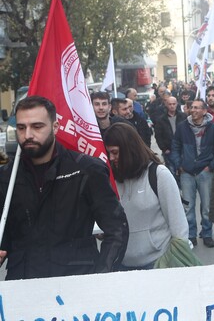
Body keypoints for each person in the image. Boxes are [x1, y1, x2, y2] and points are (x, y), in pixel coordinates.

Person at [0, 96, 128, 280]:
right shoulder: (7, 177)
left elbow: (117, 229)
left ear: (55, 127)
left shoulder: (86, 170)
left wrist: (101, 277)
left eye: (37, 126)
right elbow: (5, 233)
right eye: (21, 127)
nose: (28, 134)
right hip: (24, 287)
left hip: (76, 285)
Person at [104, 123, 189, 270]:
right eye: (108, 153)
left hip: (157, 264)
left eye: (115, 152)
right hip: (122, 265)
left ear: (129, 149)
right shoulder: (111, 180)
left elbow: (179, 227)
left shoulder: (159, 174)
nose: (111, 158)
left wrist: (170, 263)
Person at [171, 99, 214, 248]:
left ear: (205, 111)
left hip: (205, 172)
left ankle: (206, 234)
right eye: (192, 107)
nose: (193, 110)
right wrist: (179, 165)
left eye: (197, 108)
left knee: (206, 207)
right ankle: (191, 235)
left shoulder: (213, 128)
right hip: (186, 172)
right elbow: (175, 146)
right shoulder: (182, 127)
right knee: (188, 207)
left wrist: (210, 167)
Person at [154, 95, 187, 175]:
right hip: (169, 148)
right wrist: (164, 148)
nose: (172, 106)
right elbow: (158, 135)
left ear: (177, 104)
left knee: (183, 170)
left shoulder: (183, 116)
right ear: (166, 104)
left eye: (174, 104)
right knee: (171, 171)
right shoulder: (161, 119)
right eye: (170, 104)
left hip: (182, 148)